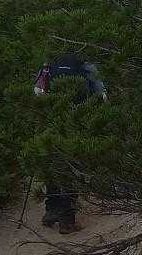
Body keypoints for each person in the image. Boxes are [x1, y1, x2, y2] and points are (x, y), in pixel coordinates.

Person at [34, 53, 107, 234]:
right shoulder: (87, 67)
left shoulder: (48, 66)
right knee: (72, 168)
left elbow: (36, 92)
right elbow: (102, 97)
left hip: (51, 122)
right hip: (77, 124)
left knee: (54, 164)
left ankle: (51, 211)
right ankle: (67, 220)